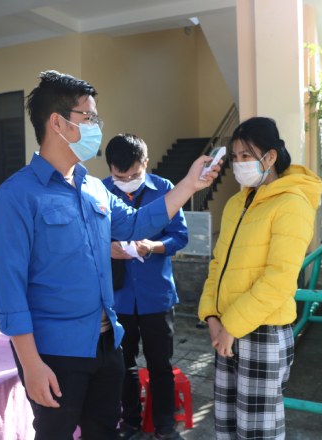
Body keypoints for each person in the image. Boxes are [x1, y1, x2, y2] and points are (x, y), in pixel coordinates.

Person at [0, 71, 221, 440]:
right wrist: (31, 366)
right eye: (89, 117)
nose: (97, 126)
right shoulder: (15, 197)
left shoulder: (94, 187)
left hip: (107, 342)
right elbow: (9, 291)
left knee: (104, 433)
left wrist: (190, 184)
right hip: (56, 353)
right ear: (58, 123)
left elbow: (137, 224)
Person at [198, 117, 322, 440]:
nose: (239, 164)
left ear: (270, 157)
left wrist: (232, 327)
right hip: (226, 332)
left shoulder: (292, 203)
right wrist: (211, 315)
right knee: (227, 425)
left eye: (246, 155)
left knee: (258, 432)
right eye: (235, 156)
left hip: (261, 333)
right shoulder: (236, 202)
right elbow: (218, 264)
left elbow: (279, 279)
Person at [102, 133, 188, 440]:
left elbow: (180, 237)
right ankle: (130, 423)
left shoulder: (165, 189)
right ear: (110, 168)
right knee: (122, 366)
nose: (126, 181)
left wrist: (153, 245)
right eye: (119, 176)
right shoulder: (98, 191)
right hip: (118, 296)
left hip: (157, 295)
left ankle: (165, 426)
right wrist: (108, 246)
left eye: (134, 175)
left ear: (146, 164)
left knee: (160, 365)